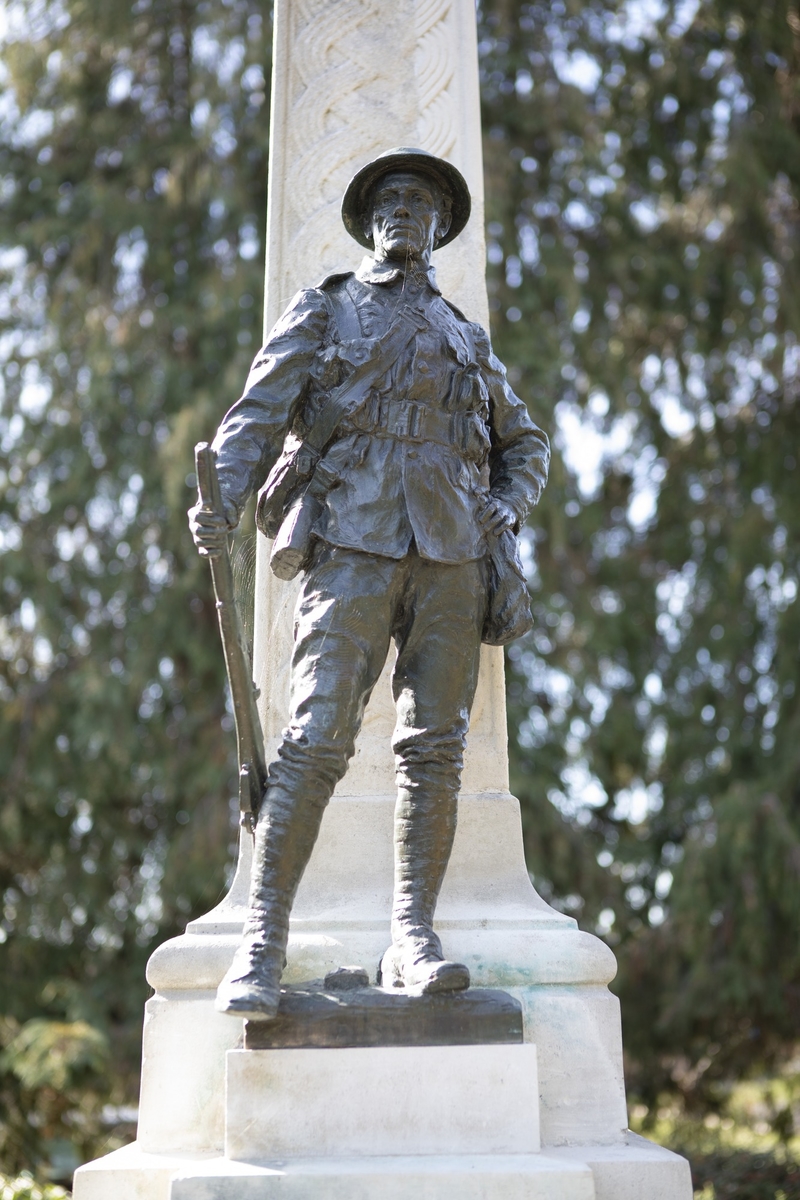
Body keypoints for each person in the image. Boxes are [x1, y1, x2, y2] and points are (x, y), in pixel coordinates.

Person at [189, 147, 550, 1019]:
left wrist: (505, 506)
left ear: (438, 227)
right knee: (314, 738)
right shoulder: (327, 309)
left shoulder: (467, 335)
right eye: (389, 202)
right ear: (368, 222)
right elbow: (255, 416)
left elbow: (526, 444)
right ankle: (262, 942)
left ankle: (413, 940)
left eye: (419, 204)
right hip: (352, 537)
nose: (403, 214)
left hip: (454, 553)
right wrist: (223, 506)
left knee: (434, 750)